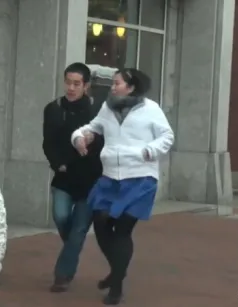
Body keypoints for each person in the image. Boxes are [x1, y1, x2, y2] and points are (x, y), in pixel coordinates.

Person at [71, 68, 174, 305]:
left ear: (131, 87)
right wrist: (79, 137)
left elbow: (167, 136)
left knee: (123, 230)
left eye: (117, 83)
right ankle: (118, 270)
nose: (113, 87)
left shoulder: (151, 109)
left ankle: (116, 286)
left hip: (140, 177)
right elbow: (91, 127)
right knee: (101, 223)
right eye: (113, 83)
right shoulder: (107, 107)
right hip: (109, 178)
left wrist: (147, 151)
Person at [42, 62, 103, 292]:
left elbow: (105, 141)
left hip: (91, 179)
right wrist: (58, 164)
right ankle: (73, 248)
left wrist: (91, 143)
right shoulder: (54, 109)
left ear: (86, 86)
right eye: (68, 82)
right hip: (64, 176)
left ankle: (62, 275)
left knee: (78, 229)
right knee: (60, 217)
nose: (71, 87)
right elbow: (48, 142)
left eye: (76, 84)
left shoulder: (98, 111)